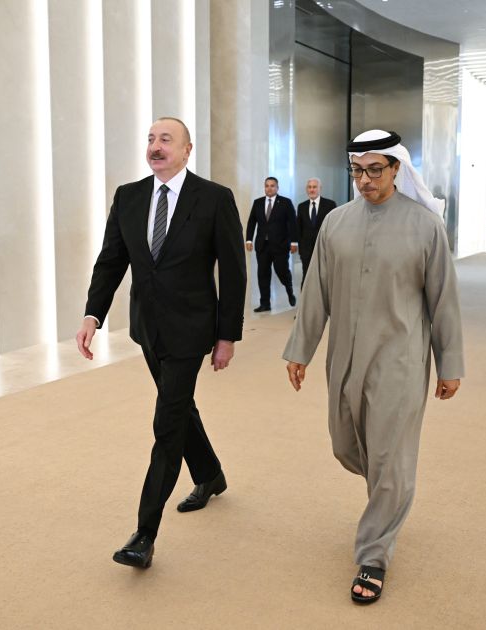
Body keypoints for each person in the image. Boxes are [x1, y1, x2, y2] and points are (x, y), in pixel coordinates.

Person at [282, 129, 464, 605]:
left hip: (399, 359)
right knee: (346, 445)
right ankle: (389, 490)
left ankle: (373, 555)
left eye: (375, 170)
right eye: (357, 171)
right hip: (344, 358)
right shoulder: (336, 223)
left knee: (389, 455)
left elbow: (444, 301)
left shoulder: (425, 226)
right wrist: (300, 350)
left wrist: (449, 363)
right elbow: (316, 292)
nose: (365, 180)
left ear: (396, 169)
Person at [76, 117, 246, 569]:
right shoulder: (129, 196)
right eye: (151, 139)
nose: (156, 146)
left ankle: (144, 534)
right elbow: (111, 261)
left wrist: (227, 335)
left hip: (192, 330)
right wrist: (93, 314)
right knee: (181, 406)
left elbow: (233, 272)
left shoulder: (214, 198)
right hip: (147, 329)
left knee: (167, 423)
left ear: (187, 150)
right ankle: (210, 474)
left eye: (166, 139)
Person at [245, 177, 298, 312]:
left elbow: (293, 223)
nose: (269, 188)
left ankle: (289, 290)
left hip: (280, 245)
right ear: (264, 187)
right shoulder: (258, 203)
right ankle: (265, 303)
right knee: (263, 274)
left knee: (282, 271)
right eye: (267, 186)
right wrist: (249, 240)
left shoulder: (285, 202)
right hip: (262, 245)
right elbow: (252, 222)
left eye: (272, 186)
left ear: (277, 188)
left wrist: (294, 242)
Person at [297, 177, 337, 288]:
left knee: (323, 276)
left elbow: (333, 227)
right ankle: (305, 298)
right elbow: (298, 228)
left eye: (314, 187)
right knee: (306, 275)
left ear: (320, 188)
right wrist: (300, 246)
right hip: (306, 249)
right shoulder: (301, 206)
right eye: (309, 187)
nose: (312, 190)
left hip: (324, 247)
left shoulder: (330, 204)